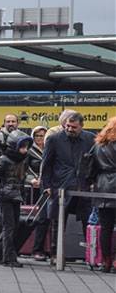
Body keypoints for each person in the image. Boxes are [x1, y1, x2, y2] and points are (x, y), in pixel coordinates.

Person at [41, 111, 95, 265]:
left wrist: (92, 181)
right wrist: (47, 185)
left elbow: (94, 161)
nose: (70, 129)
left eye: (74, 127)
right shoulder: (54, 139)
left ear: (81, 126)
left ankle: (90, 256)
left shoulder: (90, 138)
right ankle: (55, 254)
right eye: (68, 126)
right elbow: (46, 164)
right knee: (58, 222)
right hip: (60, 186)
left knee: (88, 221)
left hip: (83, 186)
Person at [0, 130, 33, 267]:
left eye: (26, 146)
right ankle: (7, 257)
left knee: (12, 226)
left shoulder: (22, 159)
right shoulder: (5, 159)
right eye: (22, 146)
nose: (25, 149)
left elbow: (22, 176)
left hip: (15, 195)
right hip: (7, 197)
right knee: (9, 227)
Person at [80, 116, 116, 273]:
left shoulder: (98, 144)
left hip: (102, 187)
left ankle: (106, 261)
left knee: (105, 228)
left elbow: (89, 167)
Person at [25, 125, 50, 261]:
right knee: (41, 218)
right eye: (38, 136)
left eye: (43, 136)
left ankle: (49, 248)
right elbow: (24, 169)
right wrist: (32, 180)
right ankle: (37, 248)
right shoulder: (29, 151)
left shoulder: (50, 149)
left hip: (47, 187)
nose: (40, 138)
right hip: (33, 190)